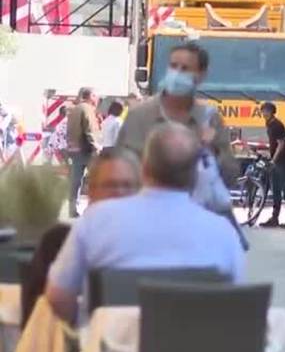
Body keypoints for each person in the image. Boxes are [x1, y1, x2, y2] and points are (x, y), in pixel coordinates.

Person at [45, 122, 245, 323]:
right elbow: (232, 304)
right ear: (194, 174)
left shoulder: (95, 221)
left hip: (113, 350)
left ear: (144, 167)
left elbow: (58, 297)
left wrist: (88, 331)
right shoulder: (223, 233)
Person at [22, 147, 142, 327]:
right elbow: (45, 308)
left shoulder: (149, 237)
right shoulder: (58, 242)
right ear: (91, 191)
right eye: (110, 185)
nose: (118, 192)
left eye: (126, 186)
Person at [117, 41, 238, 186]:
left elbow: (230, 176)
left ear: (201, 75)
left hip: (193, 206)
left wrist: (211, 150)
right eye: (173, 66)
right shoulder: (139, 116)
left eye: (185, 69)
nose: (177, 74)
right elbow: (119, 169)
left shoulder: (210, 119)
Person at [260, 101, 285, 229]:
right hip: (276, 161)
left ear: (272, 112)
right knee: (275, 189)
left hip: (283, 161)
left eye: (267, 111)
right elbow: (273, 143)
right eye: (263, 111)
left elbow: (281, 144)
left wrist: (274, 160)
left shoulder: (277, 125)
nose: (264, 113)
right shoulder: (269, 124)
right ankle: (274, 217)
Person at [66, 87, 101, 218]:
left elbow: (69, 130)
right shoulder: (87, 109)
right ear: (91, 96)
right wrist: (96, 147)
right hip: (87, 150)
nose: (97, 99)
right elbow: (89, 130)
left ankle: (72, 208)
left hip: (75, 149)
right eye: (95, 96)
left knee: (76, 181)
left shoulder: (75, 109)